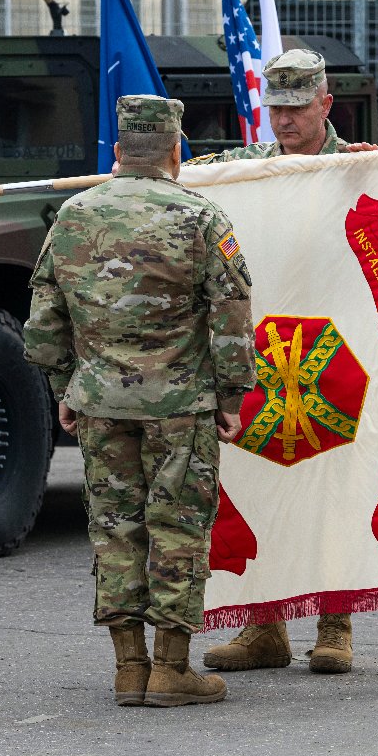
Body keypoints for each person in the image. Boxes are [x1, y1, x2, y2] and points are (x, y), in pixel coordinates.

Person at [26, 94, 254, 708]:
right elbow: (229, 311)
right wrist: (232, 393)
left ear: (119, 152)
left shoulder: (73, 215)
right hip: (180, 404)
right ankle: (172, 669)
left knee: (114, 527)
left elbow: (46, 316)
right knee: (177, 527)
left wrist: (63, 389)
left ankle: (129, 668)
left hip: (100, 401)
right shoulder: (201, 215)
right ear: (177, 153)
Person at [192, 47, 378, 678]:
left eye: (296, 109)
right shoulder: (245, 167)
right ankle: (266, 629)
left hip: (339, 350)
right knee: (264, 481)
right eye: (274, 108)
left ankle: (334, 626)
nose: (283, 122)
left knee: (334, 484)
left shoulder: (357, 161)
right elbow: (187, 184)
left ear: (325, 104)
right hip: (263, 346)